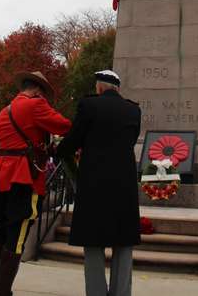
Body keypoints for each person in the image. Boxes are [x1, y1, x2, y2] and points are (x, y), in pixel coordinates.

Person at [0, 71, 72, 296]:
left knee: (0, 232)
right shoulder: (35, 106)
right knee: (17, 237)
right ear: (37, 91)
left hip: (0, 176)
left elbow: (23, 139)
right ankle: (2, 292)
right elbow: (64, 126)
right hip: (23, 177)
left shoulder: (4, 111)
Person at [57, 70, 141, 296]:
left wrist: (58, 151)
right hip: (124, 186)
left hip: (94, 184)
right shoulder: (134, 110)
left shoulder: (89, 106)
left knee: (93, 243)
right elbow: (131, 141)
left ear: (99, 88)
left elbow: (74, 139)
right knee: (123, 244)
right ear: (117, 88)